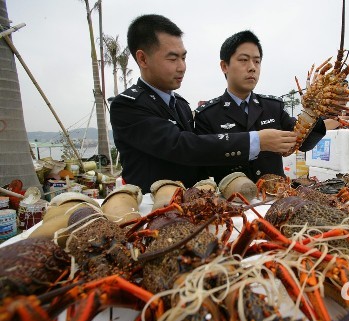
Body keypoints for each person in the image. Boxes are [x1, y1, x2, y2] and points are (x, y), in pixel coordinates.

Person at [109, 15, 297, 193]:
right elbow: (182, 146)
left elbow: (200, 162)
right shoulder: (127, 106)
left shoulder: (180, 104)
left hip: (192, 207)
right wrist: (255, 141)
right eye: (173, 58)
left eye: (183, 58)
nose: (182, 66)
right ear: (143, 59)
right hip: (151, 210)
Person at [194, 30, 326, 183]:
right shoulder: (207, 115)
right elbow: (204, 159)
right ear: (224, 66)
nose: (252, 67)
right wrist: (256, 142)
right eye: (243, 60)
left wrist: (313, 112)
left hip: (277, 198)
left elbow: (303, 142)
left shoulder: (273, 107)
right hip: (233, 202)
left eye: (257, 61)